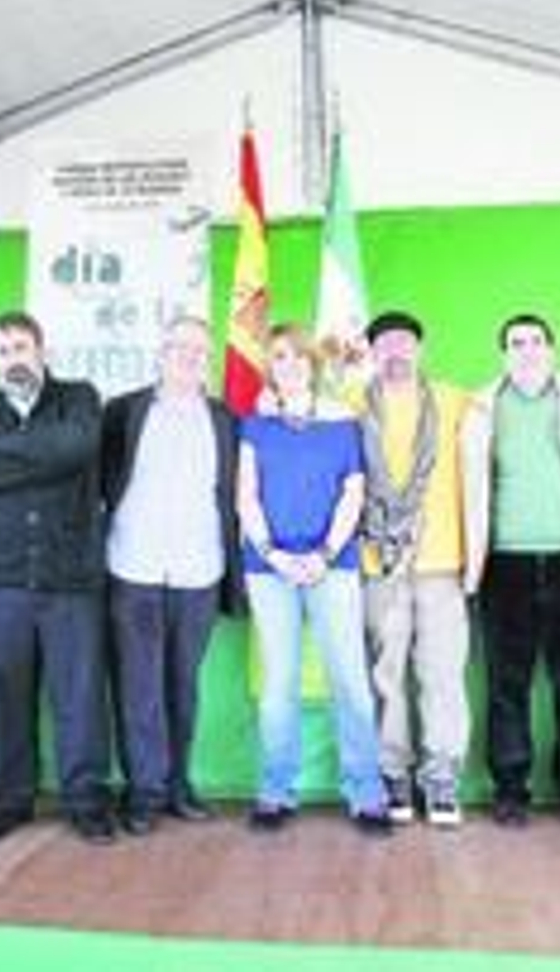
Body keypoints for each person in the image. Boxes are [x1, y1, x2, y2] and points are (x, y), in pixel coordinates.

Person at [0, 312, 116, 844]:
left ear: (41, 349)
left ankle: (86, 801)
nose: (13, 359)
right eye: (2, 351)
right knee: (5, 696)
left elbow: (78, 446)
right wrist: (47, 453)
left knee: (79, 697)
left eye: (21, 347)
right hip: (4, 579)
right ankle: (8, 801)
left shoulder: (79, 398)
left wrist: (11, 448)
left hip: (71, 580)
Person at [237, 324, 392, 837]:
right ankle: (276, 791)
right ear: (270, 366)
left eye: (298, 356)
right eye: (279, 356)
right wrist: (273, 553)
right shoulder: (255, 426)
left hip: (333, 565)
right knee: (278, 685)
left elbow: (353, 493)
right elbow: (246, 496)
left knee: (350, 680)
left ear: (313, 364)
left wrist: (324, 553)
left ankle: (366, 793)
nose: (290, 365)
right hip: (269, 569)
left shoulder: (343, 424)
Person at [461, 314, 560, 830]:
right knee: (507, 685)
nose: (527, 350)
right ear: (503, 354)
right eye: (516, 343)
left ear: (552, 348)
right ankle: (510, 790)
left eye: (536, 341)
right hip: (504, 564)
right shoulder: (480, 409)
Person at [101, 316, 240, 835]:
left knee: (183, 686)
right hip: (131, 566)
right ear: (160, 353)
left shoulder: (226, 419)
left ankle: (179, 785)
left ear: (209, 360)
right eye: (179, 346)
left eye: (199, 350)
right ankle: (144, 791)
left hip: (199, 570)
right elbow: (98, 483)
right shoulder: (123, 411)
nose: (189, 356)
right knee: (138, 688)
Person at [357, 311, 472, 827]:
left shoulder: (454, 401)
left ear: (420, 349)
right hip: (378, 561)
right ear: (372, 353)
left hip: (441, 560)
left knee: (442, 674)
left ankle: (441, 777)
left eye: (405, 342)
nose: (396, 351)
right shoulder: (350, 403)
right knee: (386, 675)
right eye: (385, 344)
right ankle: (392, 773)